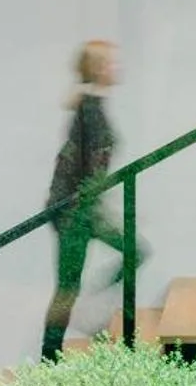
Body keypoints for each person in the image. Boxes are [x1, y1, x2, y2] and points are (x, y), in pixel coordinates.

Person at [39, 40, 139, 361]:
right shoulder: (89, 110)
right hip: (75, 213)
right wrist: (80, 209)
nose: (117, 67)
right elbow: (84, 171)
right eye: (111, 63)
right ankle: (50, 354)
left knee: (71, 285)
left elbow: (87, 171)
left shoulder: (91, 106)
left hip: (82, 210)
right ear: (98, 68)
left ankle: (54, 350)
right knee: (68, 288)